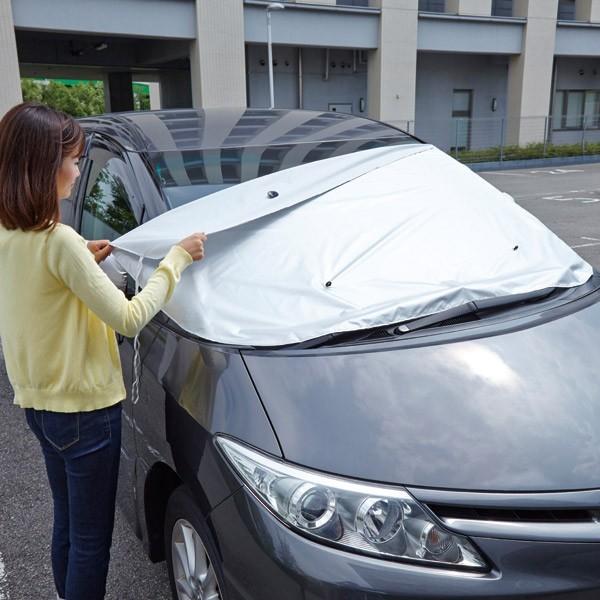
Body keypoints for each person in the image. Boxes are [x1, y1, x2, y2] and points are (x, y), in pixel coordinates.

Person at [0, 101, 206, 600]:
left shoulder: (10, 234)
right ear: (44, 167)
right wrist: (176, 260)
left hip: (39, 405)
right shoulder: (59, 243)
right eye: (71, 159)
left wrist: (82, 263)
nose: (76, 168)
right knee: (92, 540)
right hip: (86, 412)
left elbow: (42, 291)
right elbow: (130, 318)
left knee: (68, 525)